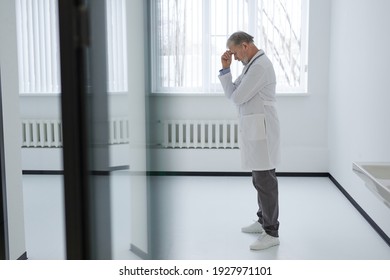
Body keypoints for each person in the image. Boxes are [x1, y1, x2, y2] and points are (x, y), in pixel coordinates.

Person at [218, 31, 281, 250]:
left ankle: (272, 232)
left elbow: (236, 97)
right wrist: (225, 70)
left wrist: (231, 81)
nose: (234, 58)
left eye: (234, 53)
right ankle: (263, 220)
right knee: (259, 178)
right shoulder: (250, 65)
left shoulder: (260, 67)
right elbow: (232, 94)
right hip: (255, 128)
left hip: (262, 129)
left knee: (265, 180)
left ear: (245, 46)